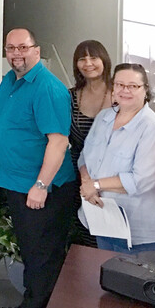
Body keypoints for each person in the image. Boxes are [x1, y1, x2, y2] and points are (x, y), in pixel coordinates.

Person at [0, 28, 75, 308]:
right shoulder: (10, 80)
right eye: (11, 48)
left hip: (42, 189)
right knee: (30, 250)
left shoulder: (48, 88)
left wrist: (40, 185)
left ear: (37, 51)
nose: (17, 53)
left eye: (23, 47)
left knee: (43, 255)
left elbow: (58, 141)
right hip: (17, 183)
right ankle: (31, 303)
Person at [77, 63, 155, 253]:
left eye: (133, 86)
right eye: (120, 85)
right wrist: (88, 183)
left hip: (141, 234)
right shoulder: (104, 117)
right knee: (107, 280)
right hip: (104, 222)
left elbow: (141, 180)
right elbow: (84, 158)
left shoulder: (153, 129)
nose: (125, 90)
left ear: (146, 90)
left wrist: (95, 185)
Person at [67, 40, 112, 248]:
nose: (88, 63)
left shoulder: (121, 94)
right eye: (82, 59)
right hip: (78, 173)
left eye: (93, 57)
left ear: (104, 60)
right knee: (84, 231)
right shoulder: (70, 96)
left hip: (112, 174)